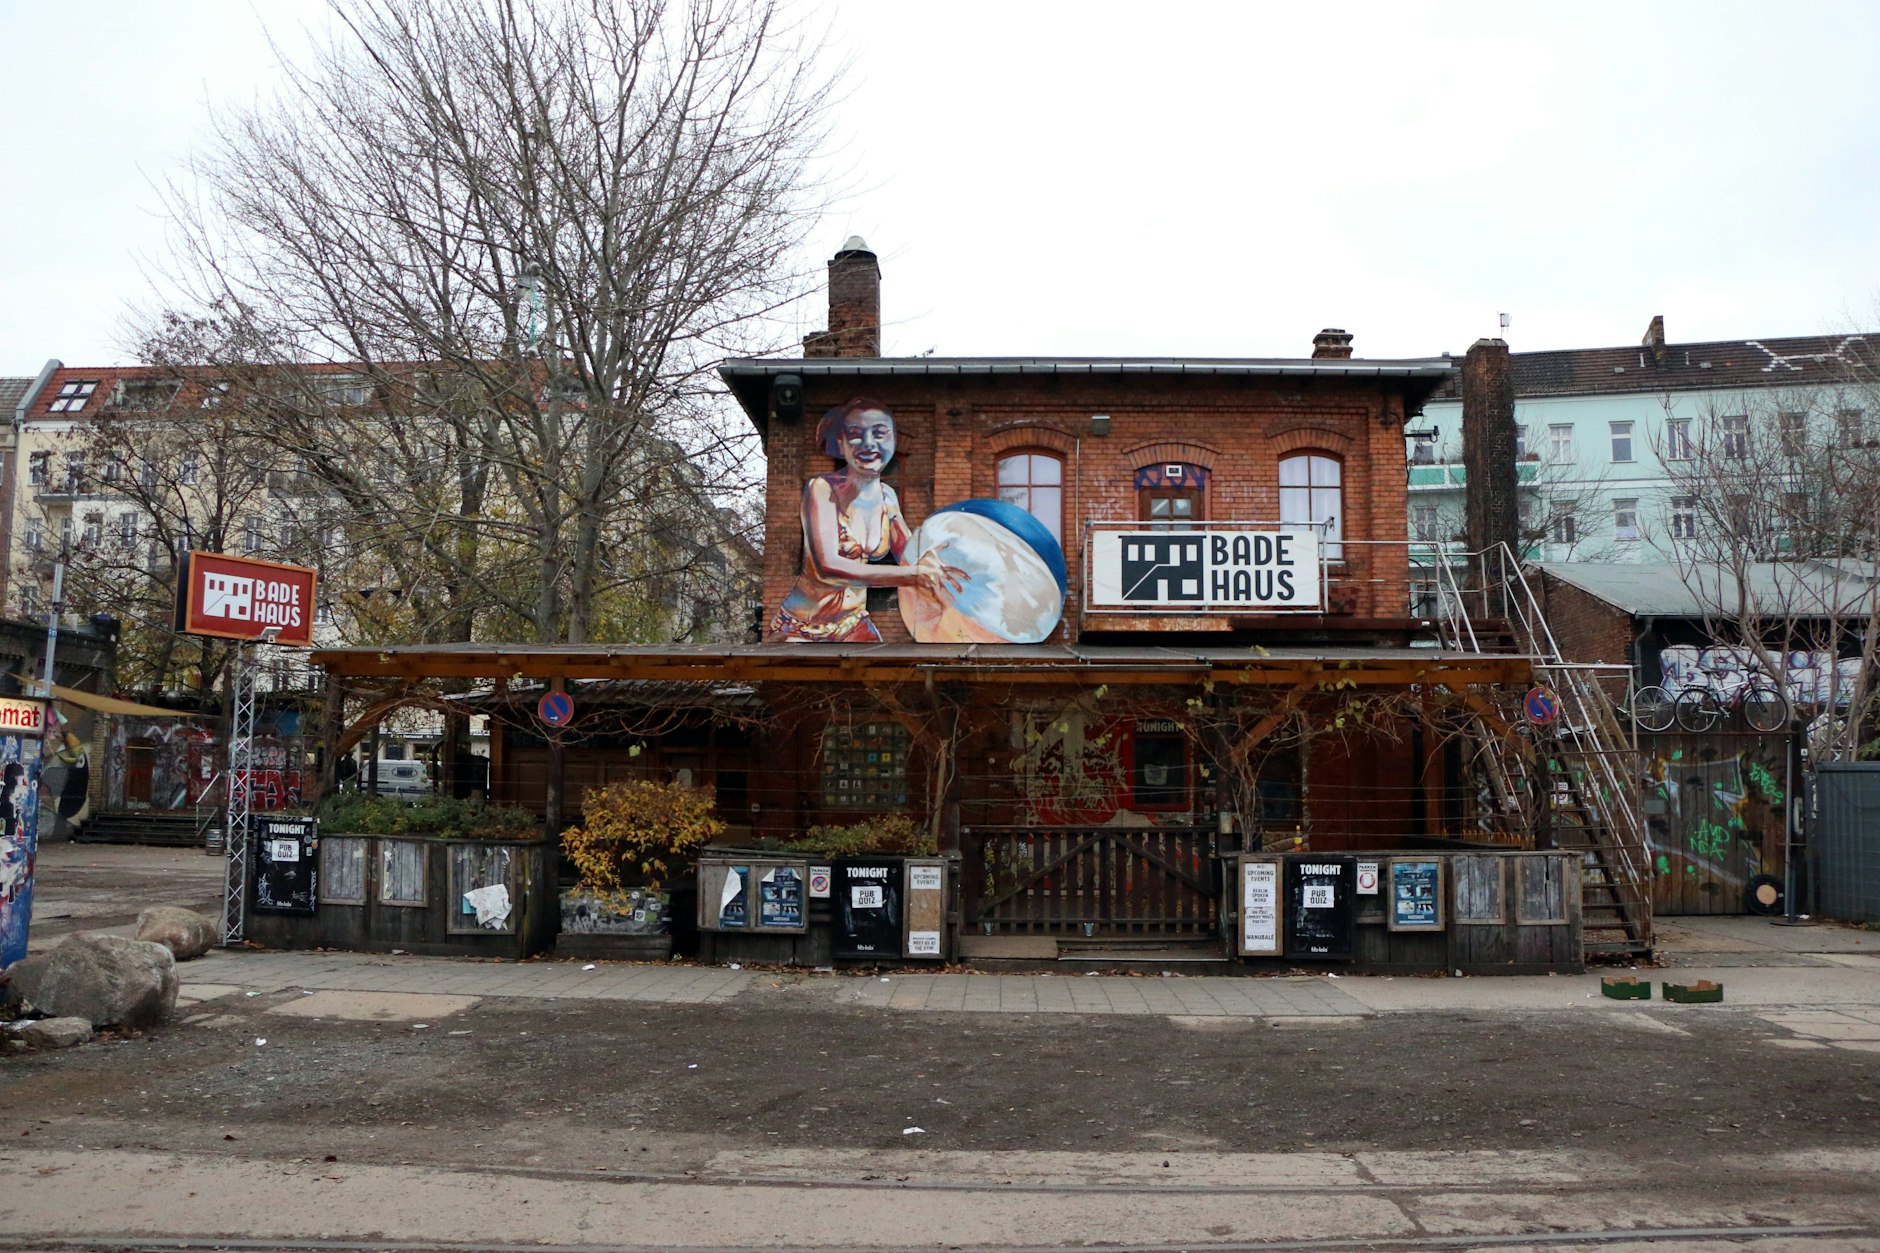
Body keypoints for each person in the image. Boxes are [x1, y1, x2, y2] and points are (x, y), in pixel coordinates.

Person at [771, 398, 964, 641]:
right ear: (841, 444)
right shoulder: (821, 489)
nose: (868, 443)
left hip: (853, 623)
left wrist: (943, 563)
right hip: (802, 627)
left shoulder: (888, 498)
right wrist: (913, 575)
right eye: (855, 435)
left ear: (893, 440)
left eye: (880, 434)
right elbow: (827, 566)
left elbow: (911, 555)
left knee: (884, 676)